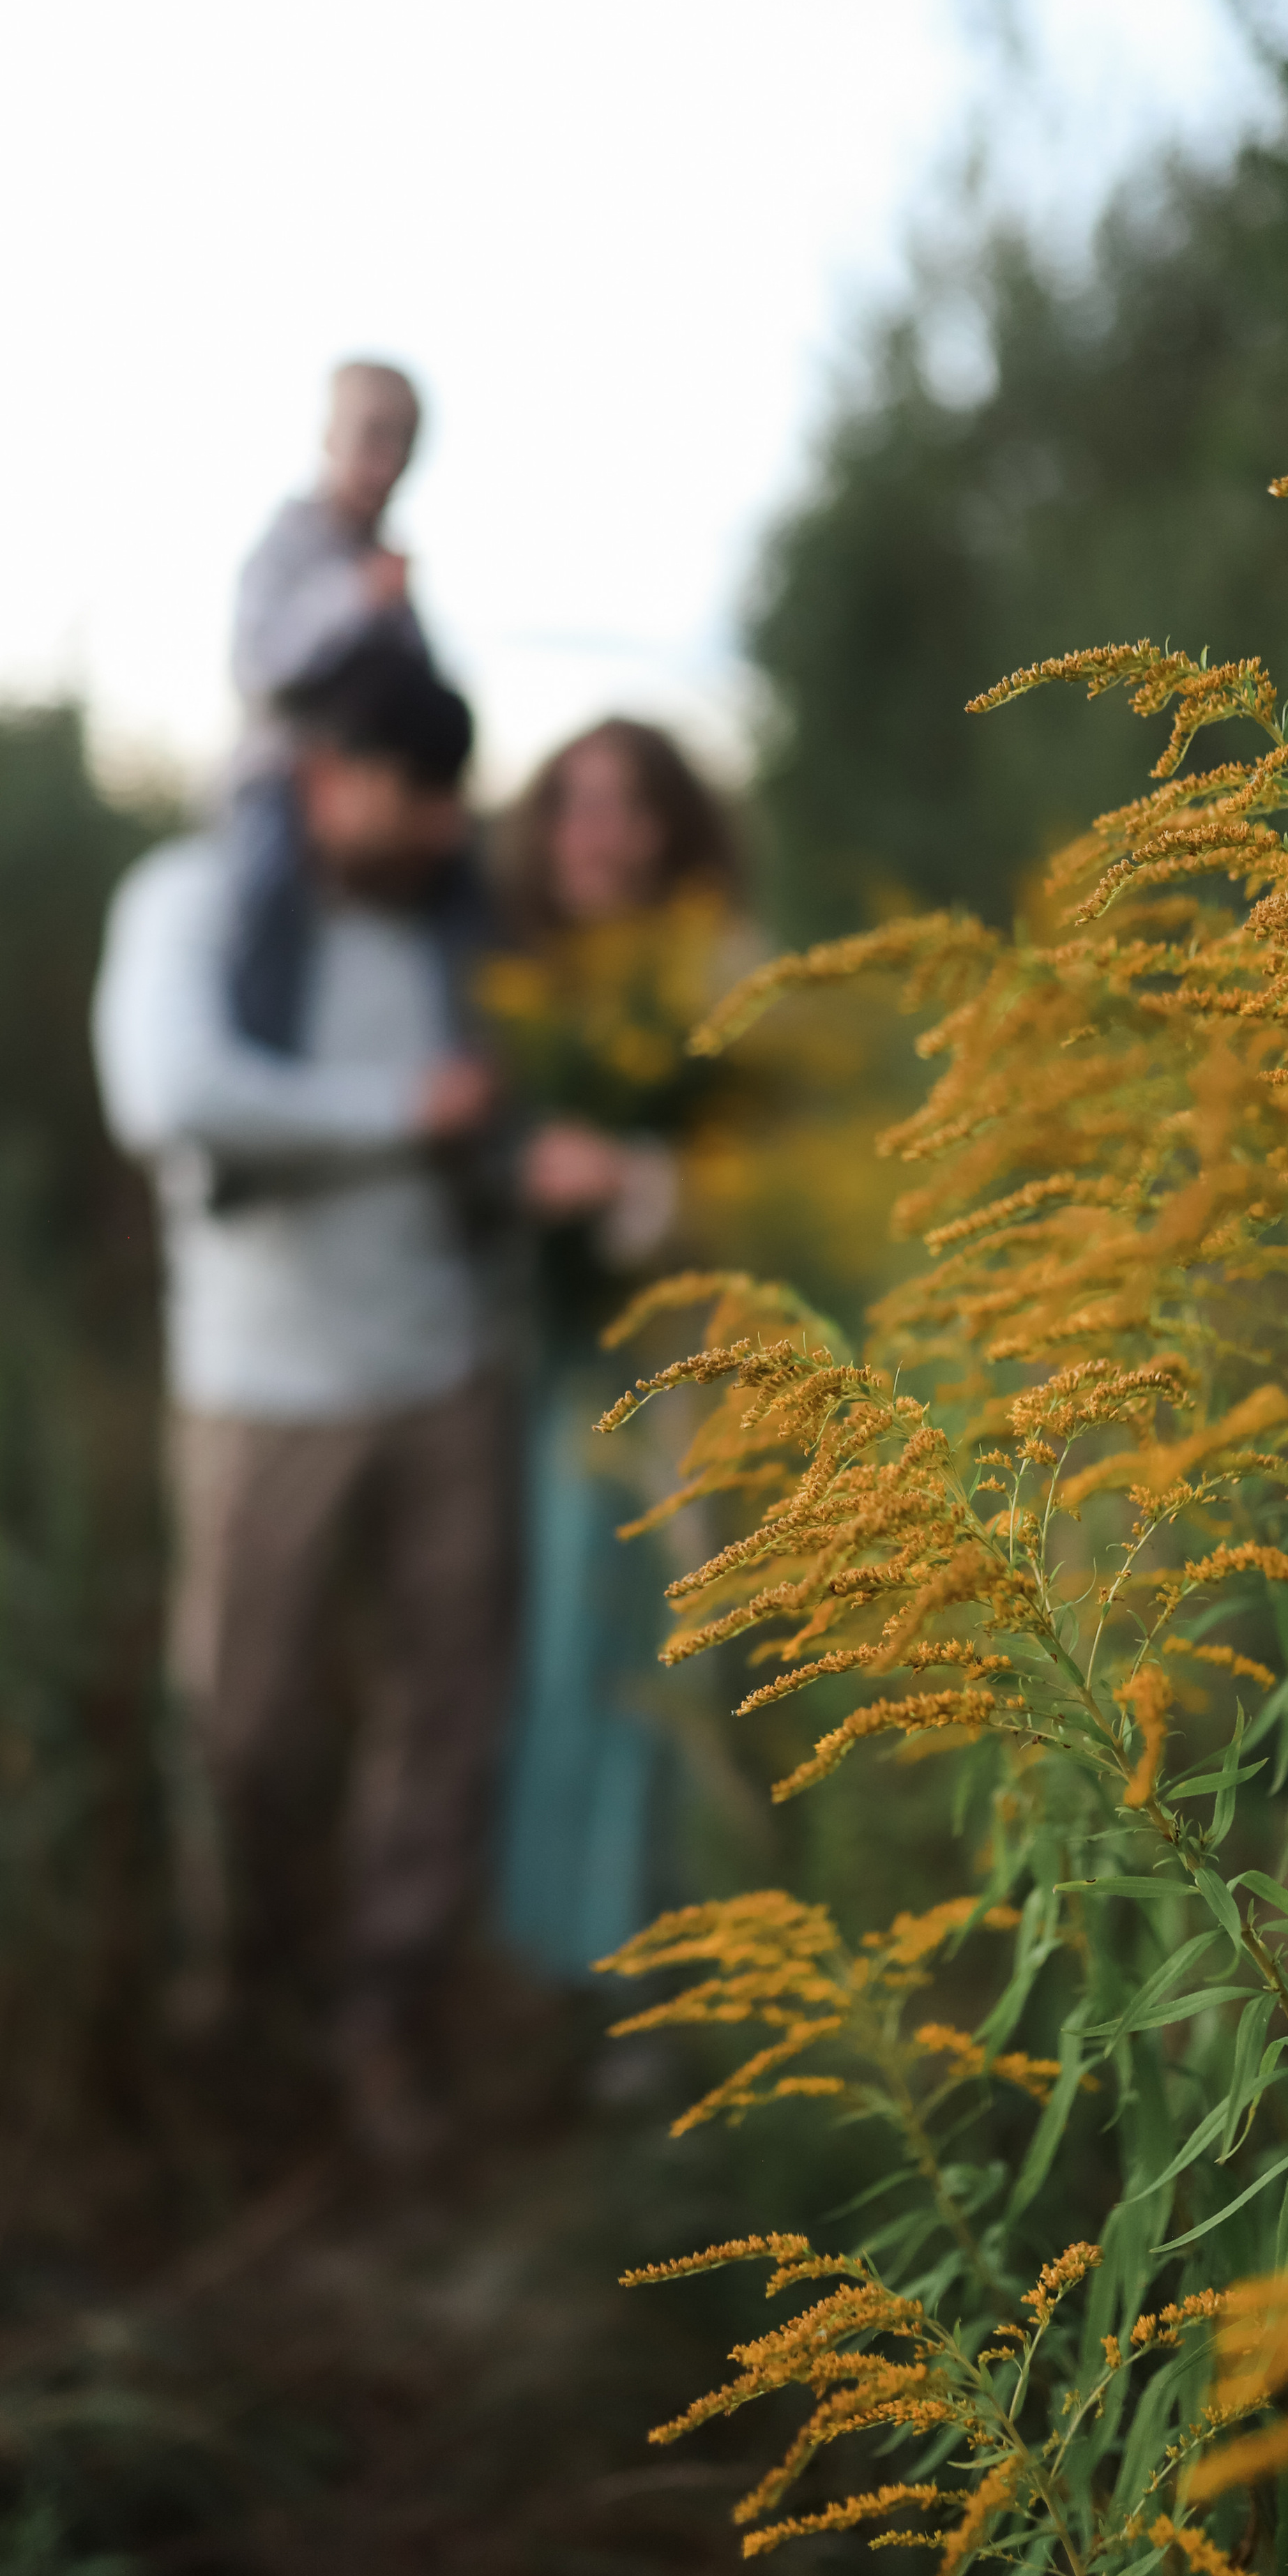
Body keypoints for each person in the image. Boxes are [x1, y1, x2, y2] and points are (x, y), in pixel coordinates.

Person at [92, 639, 513, 2165]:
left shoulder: (444, 934)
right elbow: (173, 1100)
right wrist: (404, 1114)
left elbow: (500, 1107)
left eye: (456, 800)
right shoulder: (190, 903)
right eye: (420, 796)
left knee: (441, 1713)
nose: (445, 831)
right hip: (263, 1395)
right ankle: (236, 2010)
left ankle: (379, 2018)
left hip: (441, 1375)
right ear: (327, 775)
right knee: (246, 1727)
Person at [483, 720, 750, 1980]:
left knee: (664, 1654)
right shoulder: (514, 978)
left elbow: (779, 1182)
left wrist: (630, 1177)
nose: (594, 833)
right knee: (554, 1647)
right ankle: (562, 1952)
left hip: (684, 1377)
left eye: (627, 806)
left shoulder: (724, 973)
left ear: (673, 829)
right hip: (542, 1364)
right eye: (572, 805)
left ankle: (673, 1957)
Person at [227, 361, 429, 1051]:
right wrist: (354, 599)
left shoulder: (392, 565)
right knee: (272, 885)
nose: (388, 461)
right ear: (329, 436)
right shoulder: (285, 547)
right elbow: (257, 669)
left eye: (404, 443)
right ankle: (261, 1061)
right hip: (283, 775)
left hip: (380, 784)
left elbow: (418, 687)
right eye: (373, 436)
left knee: (470, 882)